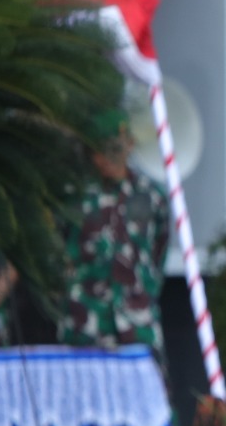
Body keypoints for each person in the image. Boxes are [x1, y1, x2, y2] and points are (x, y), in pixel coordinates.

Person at [56, 112, 172, 364]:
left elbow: (159, 250)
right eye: (98, 149)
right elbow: (56, 249)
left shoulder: (151, 195)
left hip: (137, 321)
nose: (106, 158)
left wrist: (145, 291)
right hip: (84, 321)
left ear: (129, 144)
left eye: (114, 149)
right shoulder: (73, 195)